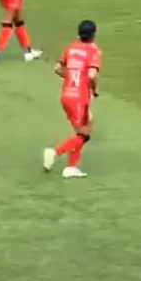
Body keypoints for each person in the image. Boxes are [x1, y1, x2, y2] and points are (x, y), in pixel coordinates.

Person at [43, 20, 101, 179]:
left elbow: (57, 69)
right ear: (93, 35)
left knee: (85, 127)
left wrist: (71, 78)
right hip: (79, 98)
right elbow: (92, 75)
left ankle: (71, 167)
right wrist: (94, 90)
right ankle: (55, 153)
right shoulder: (94, 51)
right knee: (84, 134)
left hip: (66, 94)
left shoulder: (71, 48)